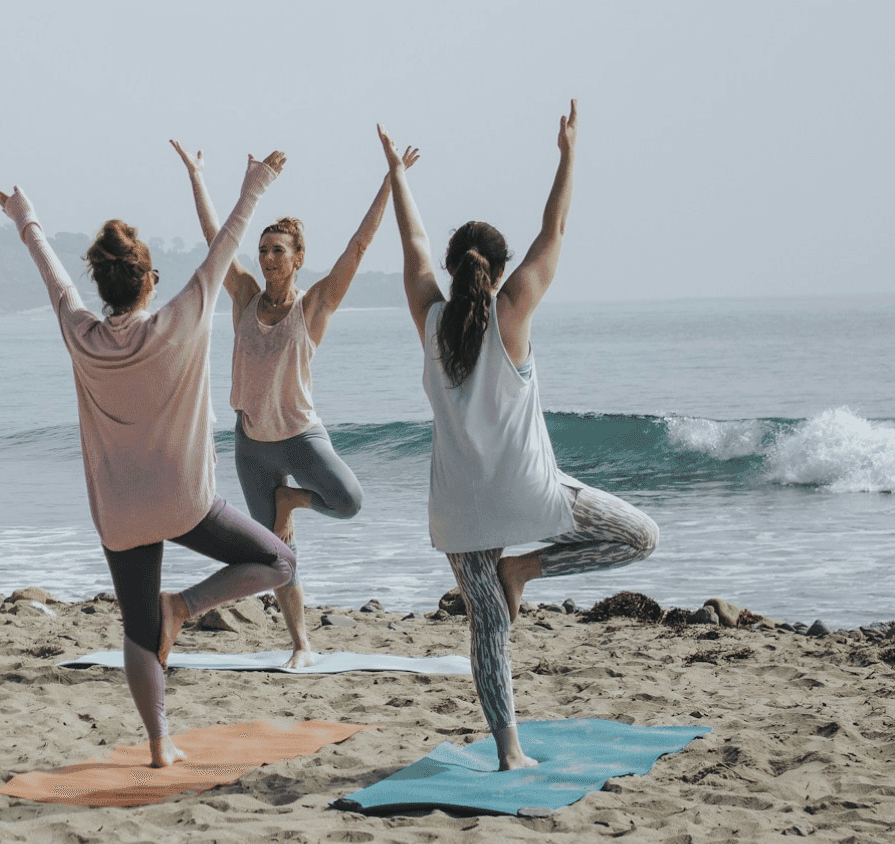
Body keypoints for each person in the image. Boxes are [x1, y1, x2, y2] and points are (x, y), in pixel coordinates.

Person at [0, 149, 296, 768]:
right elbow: (227, 246)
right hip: (184, 501)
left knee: (136, 629)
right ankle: (183, 607)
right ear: (150, 280)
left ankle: (160, 746)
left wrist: (26, 217)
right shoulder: (179, 321)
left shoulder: (80, 332)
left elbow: (52, 274)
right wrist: (256, 183)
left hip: (120, 513)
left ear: (103, 288)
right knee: (279, 561)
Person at [379, 102, 658, 770]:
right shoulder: (515, 311)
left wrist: (398, 176)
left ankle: (509, 753)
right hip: (532, 495)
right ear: (499, 269)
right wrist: (567, 154)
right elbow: (554, 229)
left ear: (452, 270)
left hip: (460, 510)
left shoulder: (430, 318)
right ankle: (527, 567)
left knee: (488, 629)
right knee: (641, 538)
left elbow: (412, 250)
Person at [169, 139, 419, 668]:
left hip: (302, 439)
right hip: (252, 446)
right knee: (278, 559)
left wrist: (389, 180)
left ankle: (293, 502)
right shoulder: (241, 297)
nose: (265, 258)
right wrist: (196, 176)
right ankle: (301, 644)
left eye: (277, 250)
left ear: (298, 257)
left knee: (348, 500)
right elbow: (218, 239)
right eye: (262, 250)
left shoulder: (315, 306)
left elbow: (358, 247)